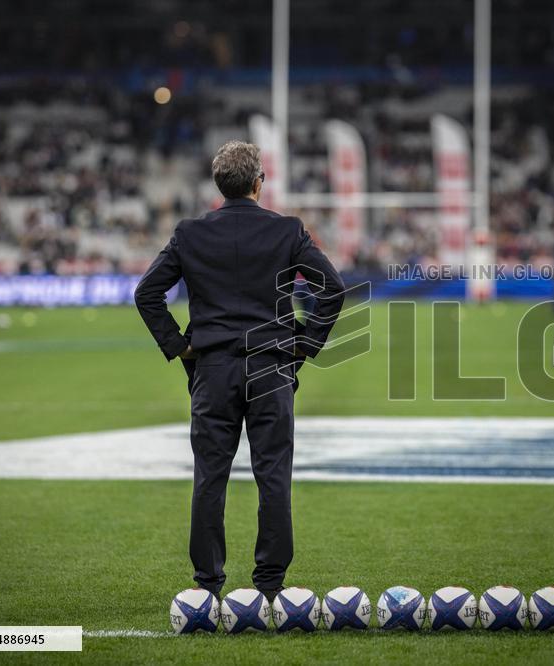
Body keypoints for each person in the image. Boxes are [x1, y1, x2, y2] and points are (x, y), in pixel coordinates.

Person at [134, 141, 345, 601]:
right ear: (258, 183)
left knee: (210, 476)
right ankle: (270, 585)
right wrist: (302, 347)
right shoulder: (287, 231)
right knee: (273, 476)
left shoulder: (190, 233)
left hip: (212, 368)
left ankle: (207, 585)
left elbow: (146, 294)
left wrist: (180, 346)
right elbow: (334, 289)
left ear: (218, 185)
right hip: (271, 367)